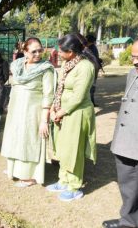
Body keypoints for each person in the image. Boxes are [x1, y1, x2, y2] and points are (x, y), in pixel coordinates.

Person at [46, 33, 99, 202]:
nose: (58, 54)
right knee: (62, 148)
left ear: (72, 51)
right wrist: (54, 108)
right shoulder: (67, 64)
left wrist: (60, 112)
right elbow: (59, 88)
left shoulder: (85, 67)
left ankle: (74, 186)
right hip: (62, 111)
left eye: (61, 51)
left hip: (77, 112)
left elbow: (78, 96)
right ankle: (63, 180)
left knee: (74, 149)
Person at [102, 34, 138, 228]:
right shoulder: (132, 73)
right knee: (128, 186)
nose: (135, 61)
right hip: (125, 141)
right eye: (133, 56)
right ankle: (128, 222)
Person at [0, 38, 55, 187]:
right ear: (25, 52)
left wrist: (44, 120)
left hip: (33, 112)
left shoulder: (46, 69)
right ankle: (14, 169)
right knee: (15, 138)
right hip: (16, 110)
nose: (38, 54)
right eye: (33, 51)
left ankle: (29, 176)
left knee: (28, 141)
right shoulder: (17, 66)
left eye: (40, 50)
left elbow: (48, 95)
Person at [86, 34, 102, 107]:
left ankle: (91, 102)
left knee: (91, 86)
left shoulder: (89, 48)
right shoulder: (89, 48)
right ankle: (90, 102)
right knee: (91, 86)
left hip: (93, 69)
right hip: (91, 69)